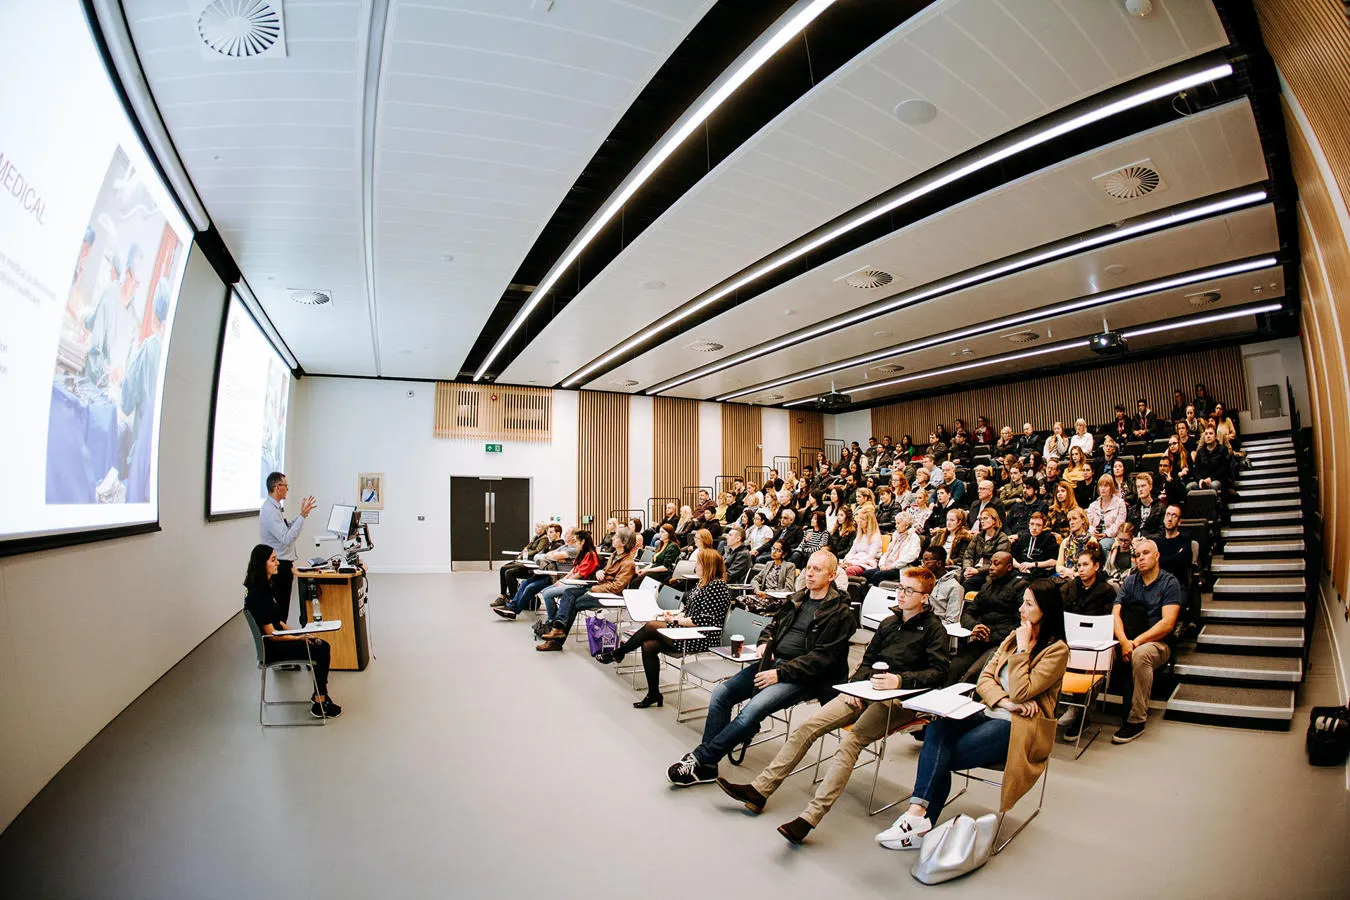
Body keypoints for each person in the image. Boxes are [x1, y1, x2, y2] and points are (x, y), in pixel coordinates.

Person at [716, 567, 948, 844]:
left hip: (900, 699)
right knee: (807, 727)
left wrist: (899, 680)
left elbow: (938, 673)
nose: (901, 593)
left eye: (909, 590)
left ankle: (810, 817)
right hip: (865, 691)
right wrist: (856, 686)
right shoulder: (889, 622)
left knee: (851, 741)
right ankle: (759, 790)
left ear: (925, 597)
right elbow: (869, 659)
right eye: (900, 588)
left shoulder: (934, 629)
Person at [876, 580, 1067, 851]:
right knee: (936, 729)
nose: (1021, 609)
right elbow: (984, 679)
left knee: (943, 757)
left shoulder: (1056, 650)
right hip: (990, 710)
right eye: (1022, 602)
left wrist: (1023, 651)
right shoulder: (1014, 637)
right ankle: (917, 817)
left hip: (1020, 725)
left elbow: (1024, 690)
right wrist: (1005, 701)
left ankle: (918, 824)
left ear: (1045, 610)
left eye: (1028, 604)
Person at [666, 550, 855, 787]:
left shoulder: (840, 613)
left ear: (832, 575)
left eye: (817, 569)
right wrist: (765, 642)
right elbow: (772, 627)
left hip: (804, 677)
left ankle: (700, 758)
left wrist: (780, 674)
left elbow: (823, 659)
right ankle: (709, 767)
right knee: (721, 694)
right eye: (808, 568)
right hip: (772, 665)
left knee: (751, 711)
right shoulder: (797, 598)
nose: (810, 573)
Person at [598, 549, 730, 707]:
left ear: (707, 565)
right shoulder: (702, 583)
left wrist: (676, 621)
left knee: (652, 626)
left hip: (703, 636)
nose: (696, 565)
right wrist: (675, 616)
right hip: (688, 630)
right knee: (648, 646)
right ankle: (653, 693)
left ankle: (618, 653)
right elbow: (688, 611)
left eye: (699, 563)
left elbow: (706, 619)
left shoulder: (717, 587)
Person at [243, 544, 341, 718]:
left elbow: (278, 622)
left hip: (277, 640)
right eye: (273, 560)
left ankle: (320, 696)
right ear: (261, 564)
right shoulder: (258, 596)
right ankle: (320, 701)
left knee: (318, 644)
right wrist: (298, 638)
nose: (278, 563)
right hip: (273, 648)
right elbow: (272, 634)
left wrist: (300, 634)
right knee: (322, 648)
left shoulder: (266, 588)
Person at [1111, 538, 1181, 744]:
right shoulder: (1131, 581)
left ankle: (1137, 720)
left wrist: (1135, 643)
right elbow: (1116, 614)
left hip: (1158, 643)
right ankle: (1082, 712)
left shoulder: (1169, 582)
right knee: (1100, 648)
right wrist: (1124, 641)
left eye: (1146, 553)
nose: (1140, 558)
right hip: (1129, 638)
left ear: (1157, 556)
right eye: (1137, 555)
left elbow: (1168, 624)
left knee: (1141, 654)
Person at [948, 551, 1022, 684]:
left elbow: (1021, 624)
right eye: (990, 563)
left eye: (996, 564)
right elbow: (967, 614)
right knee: (953, 668)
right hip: (981, 639)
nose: (991, 567)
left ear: (1009, 567)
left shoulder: (1021, 587)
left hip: (1003, 643)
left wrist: (992, 636)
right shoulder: (986, 587)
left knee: (972, 674)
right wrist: (974, 626)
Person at [259, 472, 316, 625]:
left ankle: (281, 641)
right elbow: (287, 538)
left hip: (283, 564)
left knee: (282, 609)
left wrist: (301, 515)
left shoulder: (275, 508)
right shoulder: (270, 511)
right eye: (285, 486)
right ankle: (279, 643)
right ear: (278, 487)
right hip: (279, 566)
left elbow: (285, 529)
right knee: (280, 610)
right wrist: (302, 516)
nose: (287, 489)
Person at [498, 528, 582, 619]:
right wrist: (553, 557)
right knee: (525, 583)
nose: (564, 535)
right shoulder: (564, 547)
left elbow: (552, 555)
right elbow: (541, 556)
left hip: (558, 576)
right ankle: (511, 608)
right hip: (548, 573)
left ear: (573, 537)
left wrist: (553, 556)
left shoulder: (575, 549)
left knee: (531, 587)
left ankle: (513, 610)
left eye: (567, 533)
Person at [493, 521, 555, 607]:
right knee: (503, 569)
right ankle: (504, 595)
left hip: (530, 564)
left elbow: (536, 551)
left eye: (539, 527)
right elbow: (526, 548)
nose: (536, 528)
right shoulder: (535, 538)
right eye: (536, 526)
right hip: (524, 560)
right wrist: (523, 553)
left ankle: (511, 597)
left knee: (507, 571)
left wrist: (525, 553)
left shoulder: (544, 539)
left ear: (543, 529)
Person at [962, 507, 1012, 591]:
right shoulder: (978, 536)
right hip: (973, 569)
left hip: (988, 573)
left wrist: (978, 571)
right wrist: (967, 569)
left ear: (994, 520)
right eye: (981, 519)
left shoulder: (1002, 538)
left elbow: (998, 563)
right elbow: (968, 555)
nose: (982, 521)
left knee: (968, 583)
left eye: (985, 518)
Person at [865, 512, 922, 585]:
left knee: (877, 576)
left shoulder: (914, 537)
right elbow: (887, 553)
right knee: (866, 573)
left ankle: (877, 595)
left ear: (906, 525)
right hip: (887, 565)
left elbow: (910, 556)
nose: (896, 526)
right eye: (896, 523)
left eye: (898, 523)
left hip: (901, 568)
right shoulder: (896, 535)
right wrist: (882, 564)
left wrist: (892, 566)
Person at [1061, 543, 1116, 615]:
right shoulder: (1069, 587)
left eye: (1085, 565)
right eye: (1079, 565)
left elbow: (1106, 619)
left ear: (1096, 566)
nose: (1081, 569)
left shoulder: (1107, 591)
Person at [923, 546, 965, 623]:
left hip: (936, 628)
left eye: (926, 561)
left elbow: (952, 621)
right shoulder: (922, 581)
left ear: (939, 563)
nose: (923, 565)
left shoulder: (954, 587)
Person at [1011, 511, 1059, 577]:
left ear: (1043, 526)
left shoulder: (1049, 538)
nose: (1034, 528)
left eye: (1038, 525)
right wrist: (1020, 566)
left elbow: (1054, 561)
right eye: (1032, 524)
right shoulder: (1023, 536)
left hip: (1039, 574)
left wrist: (1033, 564)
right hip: (1020, 571)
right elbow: (1010, 557)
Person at [1087, 474, 1127, 550]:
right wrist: (1093, 531)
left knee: (1102, 545)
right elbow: (1088, 523)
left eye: (1106, 486)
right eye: (1101, 486)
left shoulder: (1120, 503)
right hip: (1094, 536)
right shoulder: (1093, 505)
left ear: (1111, 487)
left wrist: (1106, 533)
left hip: (1112, 537)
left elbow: (1120, 524)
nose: (1103, 489)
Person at [1055, 508, 1097, 579]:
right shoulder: (1065, 541)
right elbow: (1058, 566)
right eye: (1070, 520)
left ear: (1083, 520)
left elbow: (1092, 567)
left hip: (1083, 577)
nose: (1071, 522)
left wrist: (1075, 574)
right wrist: (1068, 571)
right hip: (1065, 575)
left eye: (1074, 519)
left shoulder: (1092, 541)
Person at [841, 508, 883, 576]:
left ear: (869, 522)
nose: (860, 521)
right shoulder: (859, 536)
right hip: (854, 560)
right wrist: (846, 560)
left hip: (866, 563)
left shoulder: (875, 537)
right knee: (837, 568)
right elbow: (851, 552)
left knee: (849, 570)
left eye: (863, 519)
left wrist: (853, 563)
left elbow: (871, 556)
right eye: (859, 518)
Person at [1189, 426, 1231, 492]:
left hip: (1218, 479)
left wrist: (1211, 479)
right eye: (1206, 434)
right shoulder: (1200, 451)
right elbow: (1196, 469)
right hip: (1202, 481)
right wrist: (1199, 480)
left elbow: (1225, 469)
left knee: (1213, 485)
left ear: (1215, 436)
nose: (1208, 436)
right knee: (1190, 487)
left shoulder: (1223, 449)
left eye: (1211, 433)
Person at [1129, 473, 1164, 538]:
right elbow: (1128, 531)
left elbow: (1162, 532)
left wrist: (1146, 538)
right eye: (1138, 487)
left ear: (1150, 486)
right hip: (1134, 542)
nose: (1140, 489)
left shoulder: (1160, 508)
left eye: (1143, 486)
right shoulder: (1133, 510)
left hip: (1151, 543)